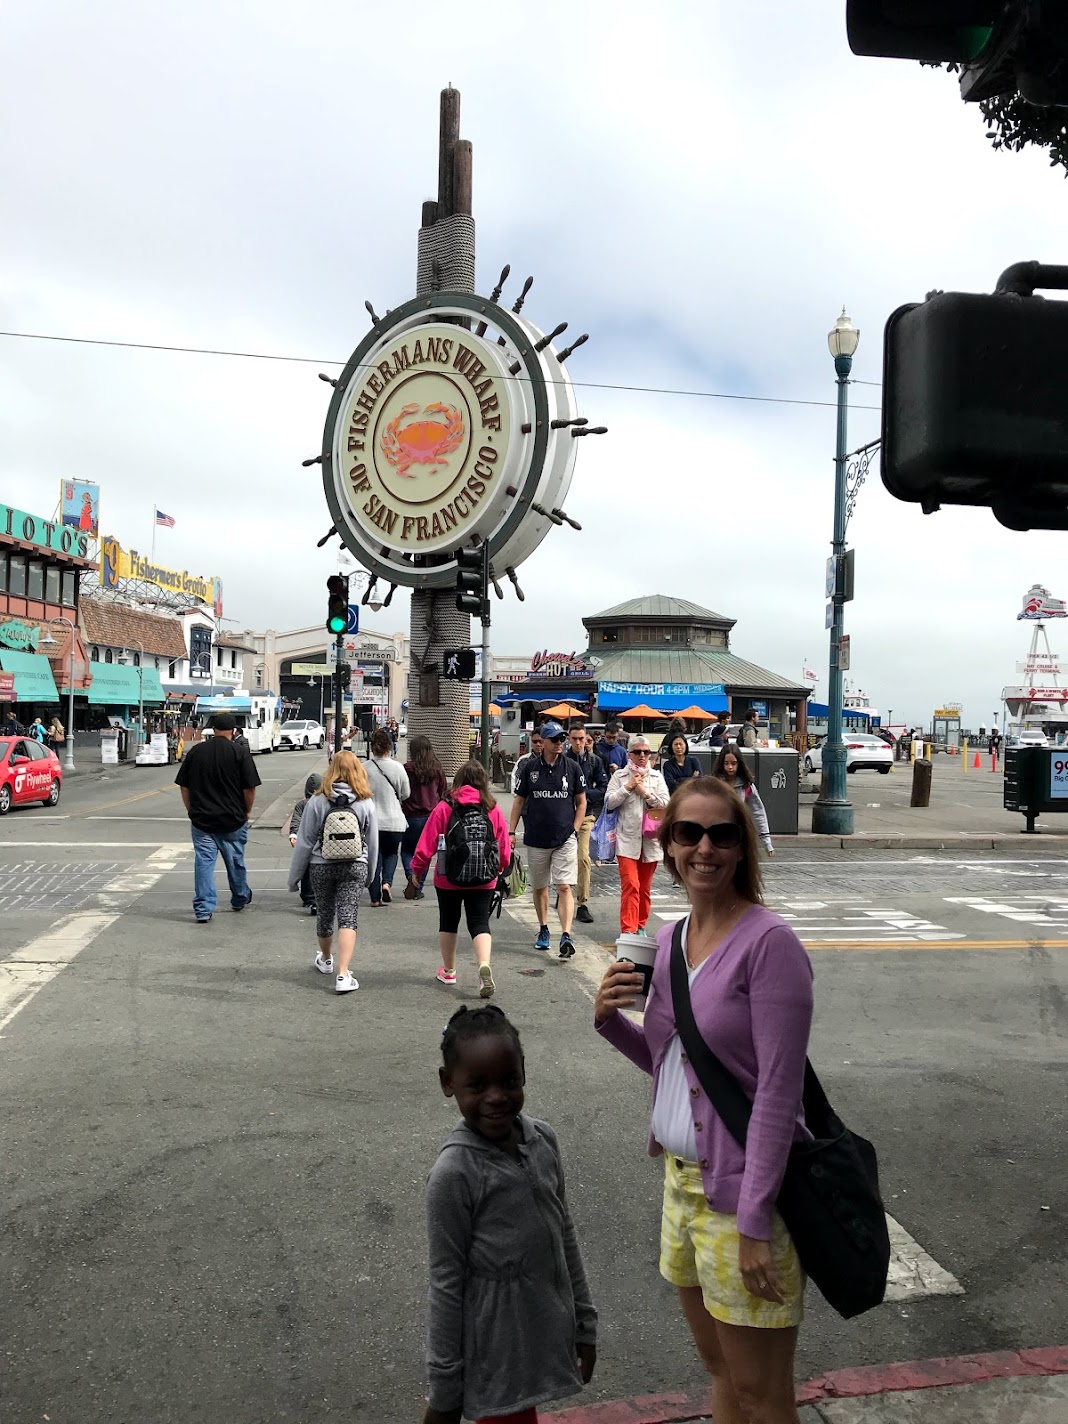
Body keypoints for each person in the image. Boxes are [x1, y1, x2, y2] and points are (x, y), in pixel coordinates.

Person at [593, 777, 813, 1424]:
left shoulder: (770, 945)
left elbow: (777, 1092)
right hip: (681, 1188)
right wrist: (610, 1023)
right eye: (689, 833)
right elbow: (675, 1067)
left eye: (721, 835)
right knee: (721, 1373)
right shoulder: (668, 941)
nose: (705, 849)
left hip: (745, 1200)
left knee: (762, 1394)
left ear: (742, 847)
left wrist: (754, 1224)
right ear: (668, 845)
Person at [424, 1004, 597, 1424]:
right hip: (493, 1357)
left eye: (509, 1081)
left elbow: (564, 1232)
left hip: (535, 1338)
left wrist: (584, 1321)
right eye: (477, 1085)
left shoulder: (543, 1141)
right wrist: (445, 1391)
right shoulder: (453, 1174)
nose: (497, 1097)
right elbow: (445, 1282)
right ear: (448, 1083)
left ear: (524, 1073)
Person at [406, 760, 511, 997]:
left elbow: (426, 843)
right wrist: (500, 868)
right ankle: (483, 967)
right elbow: (503, 847)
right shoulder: (492, 808)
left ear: (459, 780)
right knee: (479, 922)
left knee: (448, 920)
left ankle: (449, 971)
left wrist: (417, 871)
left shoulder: (445, 806)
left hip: (448, 876)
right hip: (485, 877)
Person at [288, 750, 378, 994]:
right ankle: (343, 974)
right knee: (348, 917)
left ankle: (326, 959)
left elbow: (305, 842)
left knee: (325, 914)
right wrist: (370, 876)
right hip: (355, 864)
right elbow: (372, 842)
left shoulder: (317, 801)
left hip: (321, 864)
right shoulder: (365, 802)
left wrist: (294, 878)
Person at [508, 721, 586, 959]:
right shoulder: (530, 768)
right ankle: (543, 928)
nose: (560, 743)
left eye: (562, 739)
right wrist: (511, 832)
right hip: (536, 837)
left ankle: (566, 935)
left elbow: (581, 802)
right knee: (540, 887)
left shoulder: (572, 768)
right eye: (555, 739)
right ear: (543, 742)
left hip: (564, 837)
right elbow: (519, 801)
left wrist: (574, 830)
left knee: (564, 886)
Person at [174, 710, 261, 923]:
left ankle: (203, 908)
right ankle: (239, 897)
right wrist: (247, 811)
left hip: (202, 820)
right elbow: (249, 788)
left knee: (204, 863)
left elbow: (184, 785)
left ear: (213, 730)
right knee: (235, 861)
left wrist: (191, 809)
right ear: (233, 730)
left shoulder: (197, 751)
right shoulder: (240, 752)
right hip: (233, 818)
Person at [604, 733, 670, 935]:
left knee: (644, 887)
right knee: (631, 884)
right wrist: (628, 788)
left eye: (646, 752)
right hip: (626, 839)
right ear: (629, 754)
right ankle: (628, 929)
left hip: (650, 840)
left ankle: (640, 925)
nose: (642, 756)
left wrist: (646, 794)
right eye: (638, 752)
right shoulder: (620, 776)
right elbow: (609, 802)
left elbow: (666, 804)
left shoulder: (656, 777)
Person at [364, 726, 410, 905]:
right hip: (394, 821)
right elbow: (406, 794)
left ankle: (375, 898)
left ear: (372, 747)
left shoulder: (364, 768)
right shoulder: (398, 768)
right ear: (389, 747)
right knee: (391, 853)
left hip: (372, 821)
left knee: (374, 858)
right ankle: (387, 883)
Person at [566, 721, 606, 925]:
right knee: (563, 860)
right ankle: (564, 892)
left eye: (581, 739)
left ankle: (582, 903)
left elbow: (603, 788)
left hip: (586, 816)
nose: (578, 742)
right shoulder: (562, 760)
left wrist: (582, 794)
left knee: (583, 858)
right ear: (569, 739)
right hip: (564, 816)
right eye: (574, 739)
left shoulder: (594, 761)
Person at [401, 735, 449, 893]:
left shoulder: (407, 769)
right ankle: (418, 887)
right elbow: (443, 792)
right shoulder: (437, 769)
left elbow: (402, 791)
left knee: (407, 850)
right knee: (426, 853)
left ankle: (410, 875)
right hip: (431, 817)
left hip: (410, 816)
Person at [713, 746, 774, 857]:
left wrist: (767, 842)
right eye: (726, 763)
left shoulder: (746, 786)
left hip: (739, 835)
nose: (730, 767)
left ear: (739, 764)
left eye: (733, 763)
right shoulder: (714, 784)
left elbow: (758, 812)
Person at [289, 771, 323, 915]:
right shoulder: (323, 802)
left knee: (305, 866)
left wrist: (294, 834)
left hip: (306, 839)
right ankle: (318, 896)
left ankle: (308, 896)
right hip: (321, 840)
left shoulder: (302, 804)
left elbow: (296, 820)